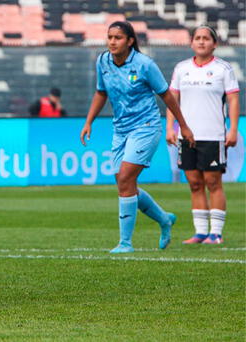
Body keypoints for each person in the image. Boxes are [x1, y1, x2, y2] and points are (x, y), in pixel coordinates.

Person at [80, 21, 195, 254]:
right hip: (120, 129)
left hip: (146, 127)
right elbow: (101, 92)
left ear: (130, 41)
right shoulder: (103, 61)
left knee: (124, 180)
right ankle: (164, 219)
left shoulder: (144, 65)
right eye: (110, 37)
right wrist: (89, 121)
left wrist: (183, 126)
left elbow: (167, 96)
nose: (112, 41)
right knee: (125, 183)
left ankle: (125, 243)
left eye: (118, 38)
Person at [166, 25, 240, 245]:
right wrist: (170, 127)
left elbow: (233, 100)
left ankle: (216, 233)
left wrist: (233, 129)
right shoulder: (181, 68)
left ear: (214, 44)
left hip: (213, 134)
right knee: (194, 182)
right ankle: (200, 232)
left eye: (206, 38)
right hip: (187, 136)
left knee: (212, 181)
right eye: (197, 38)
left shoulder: (223, 69)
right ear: (191, 43)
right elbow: (172, 100)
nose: (201, 42)